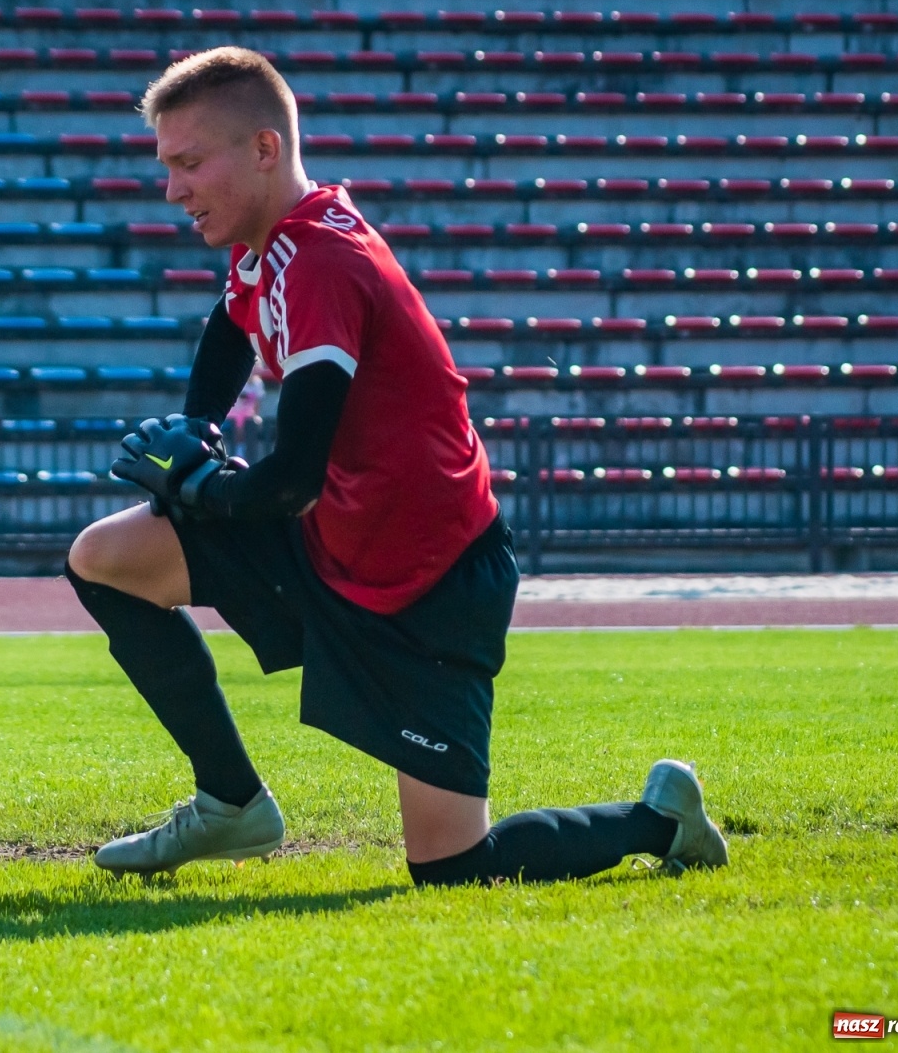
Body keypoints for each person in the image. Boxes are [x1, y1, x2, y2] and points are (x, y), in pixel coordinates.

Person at [66, 47, 729, 887]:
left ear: (265, 151)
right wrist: (198, 426)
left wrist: (197, 483)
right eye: (167, 166)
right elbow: (231, 321)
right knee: (103, 560)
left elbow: (290, 479)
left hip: (430, 586)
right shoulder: (274, 239)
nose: (173, 189)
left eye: (189, 162)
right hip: (329, 542)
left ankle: (662, 821)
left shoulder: (320, 262)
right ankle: (232, 805)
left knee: (452, 868)